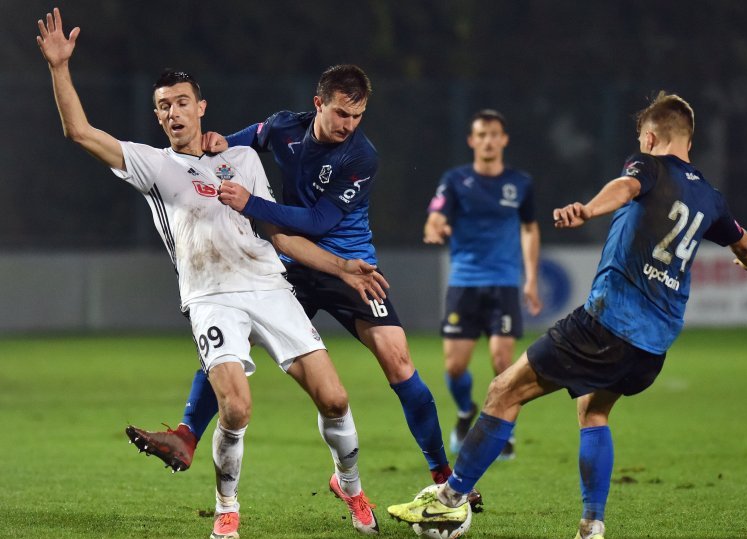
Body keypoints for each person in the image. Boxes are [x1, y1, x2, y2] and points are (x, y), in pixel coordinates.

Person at [36, 8, 381, 539]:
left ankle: (353, 488)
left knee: (335, 399)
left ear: (201, 108)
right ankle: (227, 505)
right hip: (211, 296)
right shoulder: (152, 164)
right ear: (157, 117)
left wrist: (342, 266)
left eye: (180, 103)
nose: (171, 113)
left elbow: (281, 235)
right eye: (161, 107)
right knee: (236, 406)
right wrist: (60, 67)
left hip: (269, 285)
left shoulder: (243, 158)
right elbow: (78, 131)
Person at [387, 91, 747, 539]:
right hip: (653, 347)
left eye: (640, 140)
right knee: (594, 410)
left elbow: (625, 187)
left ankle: (450, 498)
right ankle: (591, 529)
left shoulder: (647, 166)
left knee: (504, 390)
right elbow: (744, 243)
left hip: (608, 323)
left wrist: (588, 209)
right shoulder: (712, 198)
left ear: (650, 137)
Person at [126, 64, 482, 508]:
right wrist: (220, 142)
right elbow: (231, 145)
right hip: (289, 265)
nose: (349, 126)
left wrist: (251, 202)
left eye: (357, 117)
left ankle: (442, 472)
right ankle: (186, 435)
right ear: (319, 104)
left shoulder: (361, 156)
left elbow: (318, 222)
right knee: (232, 343)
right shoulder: (282, 128)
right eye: (340, 115)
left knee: (399, 360)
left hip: (349, 267)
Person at [423, 109, 542, 460]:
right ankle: (464, 413)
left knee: (502, 359)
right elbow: (435, 217)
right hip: (464, 282)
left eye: (494, 134)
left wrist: (531, 278)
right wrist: (435, 229)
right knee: (455, 367)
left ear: (503, 140)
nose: (488, 140)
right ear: (472, 141)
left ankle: (505, 432)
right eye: (481, 134)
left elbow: (530, 228)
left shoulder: (520, 183)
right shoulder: (455, 180)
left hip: (504, 283)